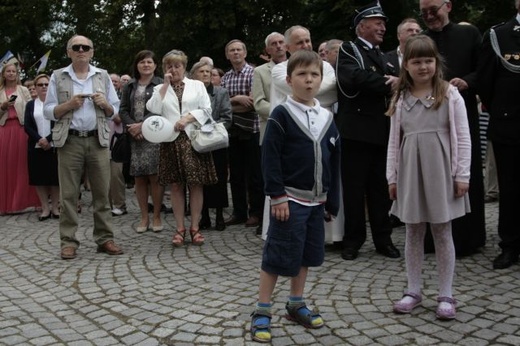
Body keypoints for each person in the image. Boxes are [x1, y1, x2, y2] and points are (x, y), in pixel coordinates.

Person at [250, 50, 341, 343]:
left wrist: (332, 199)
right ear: (289, 80)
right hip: (289, 201)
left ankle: (296, 302)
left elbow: (334, 159)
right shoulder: (282, 114)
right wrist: (277, 196)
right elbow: (270, 158)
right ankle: (262, 309)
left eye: (314, 74)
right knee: (277, 256)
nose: (309, 80)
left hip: (317, 201)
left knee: (304, 255)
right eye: (302, 75)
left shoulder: (327, 116)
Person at [387, 35, 470, 320]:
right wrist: (392, 177)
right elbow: (393, 141)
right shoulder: (401, 98)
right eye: (416, 61)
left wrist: (463, 174)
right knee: (412, 231)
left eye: (428, 60)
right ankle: (413, 289)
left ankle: (446, 293)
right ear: (406, 65)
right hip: (410, 169)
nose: (423, 67)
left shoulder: (449, 94)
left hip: (441, 169)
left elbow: (463, 136)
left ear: (436, 63)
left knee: (442, 230)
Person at [43, 34, 123, 259]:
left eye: (85, 47)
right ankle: (68, 242)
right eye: (76, 47)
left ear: (92, 52)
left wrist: (105, 104)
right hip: (70, 140)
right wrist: (68, 105)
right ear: (69, 52)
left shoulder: (103, 75)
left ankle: (105, 239)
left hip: (98, 139)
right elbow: (47, 110)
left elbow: (115, 111)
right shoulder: (58, 76)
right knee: (68, 195)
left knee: (101, 194)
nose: (81, 50)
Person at [263, 25, 342, 244]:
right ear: (288, 47)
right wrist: (322, 86)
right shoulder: (280, 69)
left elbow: (332, 90)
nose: (306, 45)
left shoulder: (325, 66)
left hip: (322, 126)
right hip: (292, 132)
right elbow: (317, 90)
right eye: (300, 42)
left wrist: (324, 89)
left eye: (308, 40)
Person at [420, 0, 485, 256]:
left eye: (432, 10)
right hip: (429, 117)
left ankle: (468, 238)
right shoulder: (422, 40)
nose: (428, 16)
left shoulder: (469, 33)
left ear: (447, 6)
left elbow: (484, 69)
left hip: (463, 113)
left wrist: (467, 82)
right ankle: (431, 239)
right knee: (433, 174)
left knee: (464, 170)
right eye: (423, 12)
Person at [336, 3, 400, 260]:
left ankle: (383, 240)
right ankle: (353, 241)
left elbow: (373, 80)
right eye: (377, 22)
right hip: (356, 132)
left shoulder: (384, 56)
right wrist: (390, 83)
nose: (383, 26)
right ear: (362, 26)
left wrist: (389, 81)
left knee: (380, 190)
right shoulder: (349, 49)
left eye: (384, 23)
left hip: (381, 131)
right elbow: (355, 79)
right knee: (354, 190)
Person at [146, 49, 217, 246]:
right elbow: (153, 108)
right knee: (176, 185)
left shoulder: (196, 85)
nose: (173, 69)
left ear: (184, 67)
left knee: (195, 184)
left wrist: (187, 118)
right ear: (164, 68)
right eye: (169, 65)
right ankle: (180, 228)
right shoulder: (160, 87)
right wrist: (165, 85)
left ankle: (195, 227)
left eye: (177, 65)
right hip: (170, 141)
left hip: (193, 139)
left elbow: (206, 109)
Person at [478, 0, 520, 269]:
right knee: (511, 189)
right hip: (510, 125)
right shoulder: (500, 34)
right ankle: (511, 245)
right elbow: (486, 82)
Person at [220, 39, 264, 228]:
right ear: (227, 55)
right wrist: (237, 99)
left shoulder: (254, 73)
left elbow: (254, 104)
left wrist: (231, 105)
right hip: (232, 132)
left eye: (239, 49)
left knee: (254, 174)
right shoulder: (225, 78)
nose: (236, 53)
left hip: (252, 129)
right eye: (232, 50)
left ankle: (256, 212)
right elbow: (220, 106)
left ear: (245, 53)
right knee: (236, 175)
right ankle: (239, 212)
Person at [119, 50, 164, 233]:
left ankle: (157, 216)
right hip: (134, 137)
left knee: (155, 176)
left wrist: (143, 126)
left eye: (149, 62)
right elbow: (122, 110)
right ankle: (144, 216)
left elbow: (161, 107)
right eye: (142, 62)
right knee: (139, 178)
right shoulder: (129, 85)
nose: (146, 65)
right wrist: (133, 127)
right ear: (137, 65)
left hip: (154, 134)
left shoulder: (160, 84)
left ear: (155, 65)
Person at [190, 61, 232, 231]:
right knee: (200, 180)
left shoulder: (221, 92)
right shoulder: (190, 94)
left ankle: (220, 215)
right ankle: (204, 216)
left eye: (209, 71)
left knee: (219, 179)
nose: (206, 74)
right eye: (202, 71)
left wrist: (209, 128)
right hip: (196, 142)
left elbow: (227, 118)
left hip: (215, 142)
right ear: (194, 75)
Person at [0, 62, 40, 215]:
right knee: (5, 165)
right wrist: (3, 106)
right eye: (8, 71)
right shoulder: (0, 91)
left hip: (22, 129)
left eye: (13, 71)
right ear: (4, 74)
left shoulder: (23, 90)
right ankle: (6, 203)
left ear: (17, 74)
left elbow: (32, 110)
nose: (11, 74)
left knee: (23, 165)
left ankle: (25, 202)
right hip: (4, 130)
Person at [23, 74, 60, 220]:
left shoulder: (56, 103)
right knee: (39, 178)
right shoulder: (31, 105)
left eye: (46, 84)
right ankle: (45, 208)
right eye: (40, 85)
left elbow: (59, 123)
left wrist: (49, 139)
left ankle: (56, 208)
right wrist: (40, 140)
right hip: (36, 146)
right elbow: (27, 126)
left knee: (55, 178)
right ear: (35, 88)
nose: (44, 87)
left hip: (54, 145)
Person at [253, 32, 287, 145]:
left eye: (281, 42)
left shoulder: (297, 66)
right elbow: (258, 103)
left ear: (286, 45)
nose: (278, 45)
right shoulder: (259, 71)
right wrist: (284, 113)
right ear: (268, 50)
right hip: (271, 127)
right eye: (274, 43)